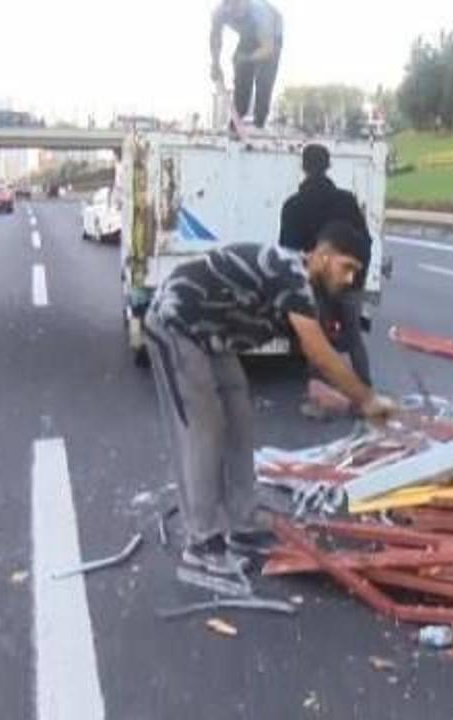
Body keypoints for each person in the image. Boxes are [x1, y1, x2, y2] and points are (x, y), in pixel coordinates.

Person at [144, 222, 394, 574]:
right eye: (347, 267)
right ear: (323, 256)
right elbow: (321, 353)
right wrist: (367, 400)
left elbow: (311, 351)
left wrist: (332, 392)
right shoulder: (291, 274)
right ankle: (203, 541)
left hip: (213, 335)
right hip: (176, 323)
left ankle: (243, 522)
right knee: (204, 428)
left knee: (239, 418)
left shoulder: (308, 290)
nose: (350, 278)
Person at [279, 144, 374, 414]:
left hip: (316, 284)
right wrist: (357, 276)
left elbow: (288, 251)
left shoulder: (293, 206)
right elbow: (365, 241)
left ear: (303, 167)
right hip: (349, 280)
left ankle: (320, 402)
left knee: (316, 340)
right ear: (328, 166)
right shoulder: (346, 201)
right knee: (354, 338)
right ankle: (365, 398)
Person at [210, 0, 283, 129]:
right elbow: (216, 37)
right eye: (231, 10)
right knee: (241, 70)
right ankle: (238, 117)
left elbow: (267, 50)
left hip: (271, 37)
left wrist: (246, 59)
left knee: (264, 77)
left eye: (238, 8)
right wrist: (215, 63)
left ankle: (259, 121)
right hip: (248, 36)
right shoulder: (219, 12)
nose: (235, 13)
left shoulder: (260, 13)